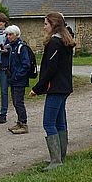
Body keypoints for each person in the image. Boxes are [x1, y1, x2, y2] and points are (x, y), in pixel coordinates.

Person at [30, 11, 75, 170]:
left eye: (46, 24)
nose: (44, 27)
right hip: (64, 87)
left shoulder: (54, 43)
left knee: (48, 122)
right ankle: (60, 157)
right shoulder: (65, 41)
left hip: (56, 88)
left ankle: (56, 160)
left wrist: (37, 88)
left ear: (53, 25)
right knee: (60, 122)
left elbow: (50, 69)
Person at [4, 25, 31, 134]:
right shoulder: (12, 47)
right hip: (13, 79)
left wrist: (17, 76)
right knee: (15, 102)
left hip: (19, 80)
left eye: (10, 34)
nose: (8, 37)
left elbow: (26, 65)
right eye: (7, 35)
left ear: (16, 35)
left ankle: (23, 123)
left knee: (19, 102)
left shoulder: (21, 47)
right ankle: (20, 121)